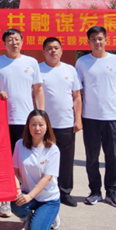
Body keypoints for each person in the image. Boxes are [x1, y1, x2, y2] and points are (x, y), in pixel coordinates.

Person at [0, 28, 44, 218]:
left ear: (22, 41)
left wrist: (41, 115)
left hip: (26, 120)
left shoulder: (31, 62)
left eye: (17, 39)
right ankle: (6, 199)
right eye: (10, 40)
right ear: (4, 43)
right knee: (6, 160)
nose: (14, 42)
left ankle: (28, 197)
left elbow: (38, 90)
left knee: (26, 160)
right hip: (4, 119)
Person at [75, 26, 116, 208]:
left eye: (100, 38)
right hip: (90, 117)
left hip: (112, 116)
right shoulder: (82, 62)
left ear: (106, 40)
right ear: (88, 41)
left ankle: (111, 192)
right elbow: (77, 90)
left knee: (112, 156)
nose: (97, 42)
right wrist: (78, 117)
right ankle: (95, 191)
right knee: (92, 157)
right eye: (93, 39)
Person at [38, 37, 82, 207]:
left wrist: (78, 119)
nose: (53, 51)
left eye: (56, 48)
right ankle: (42, 192)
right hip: (44, 125)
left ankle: (64, 192)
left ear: (61, 50)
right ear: (44, 52)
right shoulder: (38, 69)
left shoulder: (70, 70)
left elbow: (76, 96)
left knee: (66, 159)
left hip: (66, 122)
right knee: (42, 159)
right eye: (49, 48)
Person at [12, 109, 61, 230]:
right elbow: (15, 171)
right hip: (27, 193)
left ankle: (51, 215)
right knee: (15, 204)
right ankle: (27, 217)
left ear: (47, 127)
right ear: (28, 126)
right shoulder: (19, 145)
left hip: (48, 199)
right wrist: (17, 190)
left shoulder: (52, 150)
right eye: (33, 124)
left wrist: (29, 196)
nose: (37, 128)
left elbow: (46, 178)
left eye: (41, 124)